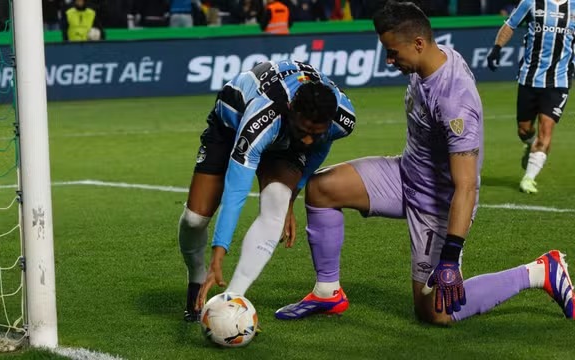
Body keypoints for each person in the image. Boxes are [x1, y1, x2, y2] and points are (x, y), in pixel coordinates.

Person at [275, 1, 573, 325]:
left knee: (435, 312)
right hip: (405, 175)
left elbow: (467, 185)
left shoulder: (454, 99)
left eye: (393, 52)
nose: (389, 60)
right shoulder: (429, 58)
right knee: (322, 188)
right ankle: (327, 292)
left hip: (439, 204)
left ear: (418, 44)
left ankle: (541, 271)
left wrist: (450, 256)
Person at [178, 59, 357, 321]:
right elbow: (236, 192)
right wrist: (219, 253)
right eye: (305, 130)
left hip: (285, 141)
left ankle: (231, 302)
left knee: (277, 203)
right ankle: (196, 278)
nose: (308, 139)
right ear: (291, 109)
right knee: (195, 220)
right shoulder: (263, 117)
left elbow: (319, 147)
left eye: (315, 132)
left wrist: (292, 196)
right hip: (230, 126)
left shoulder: (342, 120)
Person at [486, 0, 575, 194]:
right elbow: (510, 24)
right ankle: (530, 145)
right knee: (524, 129)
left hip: (559, 81)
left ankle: (528, 178)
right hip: (529, 78)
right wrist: (496, 48)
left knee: (546, 129)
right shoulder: (531, 3)